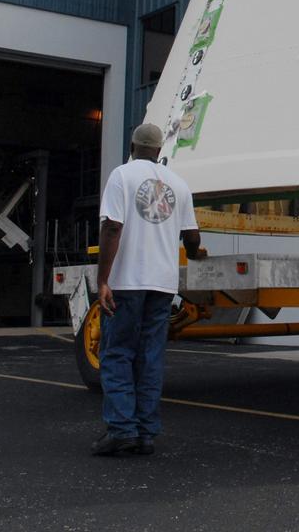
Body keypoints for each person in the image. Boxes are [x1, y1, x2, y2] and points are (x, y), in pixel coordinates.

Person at [92, 123, 203, 457]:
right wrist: (197, 254)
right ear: (159, 150)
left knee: (117, 354)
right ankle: (145, 432)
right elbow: (193, 238)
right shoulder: (179, 185)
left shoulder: (121, 176)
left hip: (127, 281)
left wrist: (102, 280)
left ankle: (121, 429)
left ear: (132, 145)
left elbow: (112, 227)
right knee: (150, 357)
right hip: (162, 285)